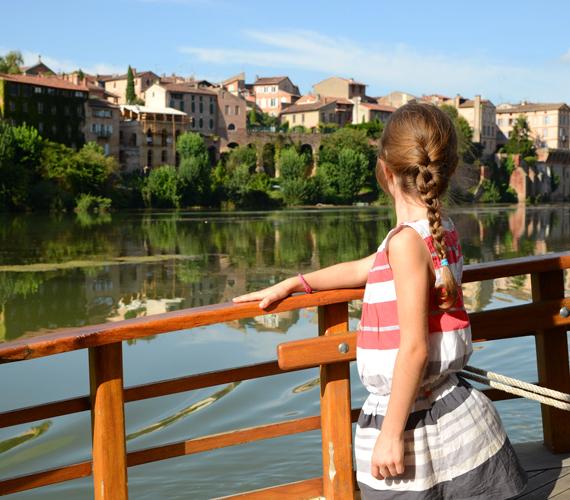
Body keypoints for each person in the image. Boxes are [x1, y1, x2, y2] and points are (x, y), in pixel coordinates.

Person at [233, 103, 527, 499]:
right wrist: (296, 282)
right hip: (453, 409)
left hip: (410, 417)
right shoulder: (437, 232)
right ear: (448, 170)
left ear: (386, 171)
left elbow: (414, 348)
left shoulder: (406, 243)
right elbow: (364, 267)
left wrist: (390, 434)